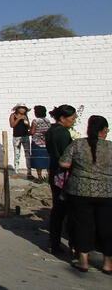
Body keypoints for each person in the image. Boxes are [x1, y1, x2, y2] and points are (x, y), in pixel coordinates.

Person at [59, 115, 112, 273]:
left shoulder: (78, 144)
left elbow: (64, 163)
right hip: (107, 192)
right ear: (103, 130)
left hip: (80, 191)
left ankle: (83, 261)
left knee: (83, 225)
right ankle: (108, 264)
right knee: (106, 227)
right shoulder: (110, 146)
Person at [45, 104, 77, 255]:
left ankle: (54, 242)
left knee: (58, 209)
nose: (74, 121)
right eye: (72, 118)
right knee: (65, 210)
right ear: (63, 118)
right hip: (62, 174)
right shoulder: (62, 133)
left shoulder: (52, 130)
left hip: (54, 171)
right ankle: (70, 244)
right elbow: (66, 155)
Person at [10, 104, 32, 179]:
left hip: (25, 136)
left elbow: (28, 126)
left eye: (24, 108)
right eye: (21, 108)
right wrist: (19, 118)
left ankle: (29, 172)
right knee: (17, 154)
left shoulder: (25, 116)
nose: (23, 109)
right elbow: (12, 125)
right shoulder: (13, 115)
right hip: (17, 137)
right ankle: (16, 172)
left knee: (28, 154)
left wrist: (26, 121)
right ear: (18, 109)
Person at [30, 105, 51, 181]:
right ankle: (49, 177)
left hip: (37, 142)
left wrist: (28, 131)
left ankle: (39, 177)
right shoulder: (47, 120)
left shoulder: (35, 121)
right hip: (46, 143)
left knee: (38, 160)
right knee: (47, 159)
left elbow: (32, 132)